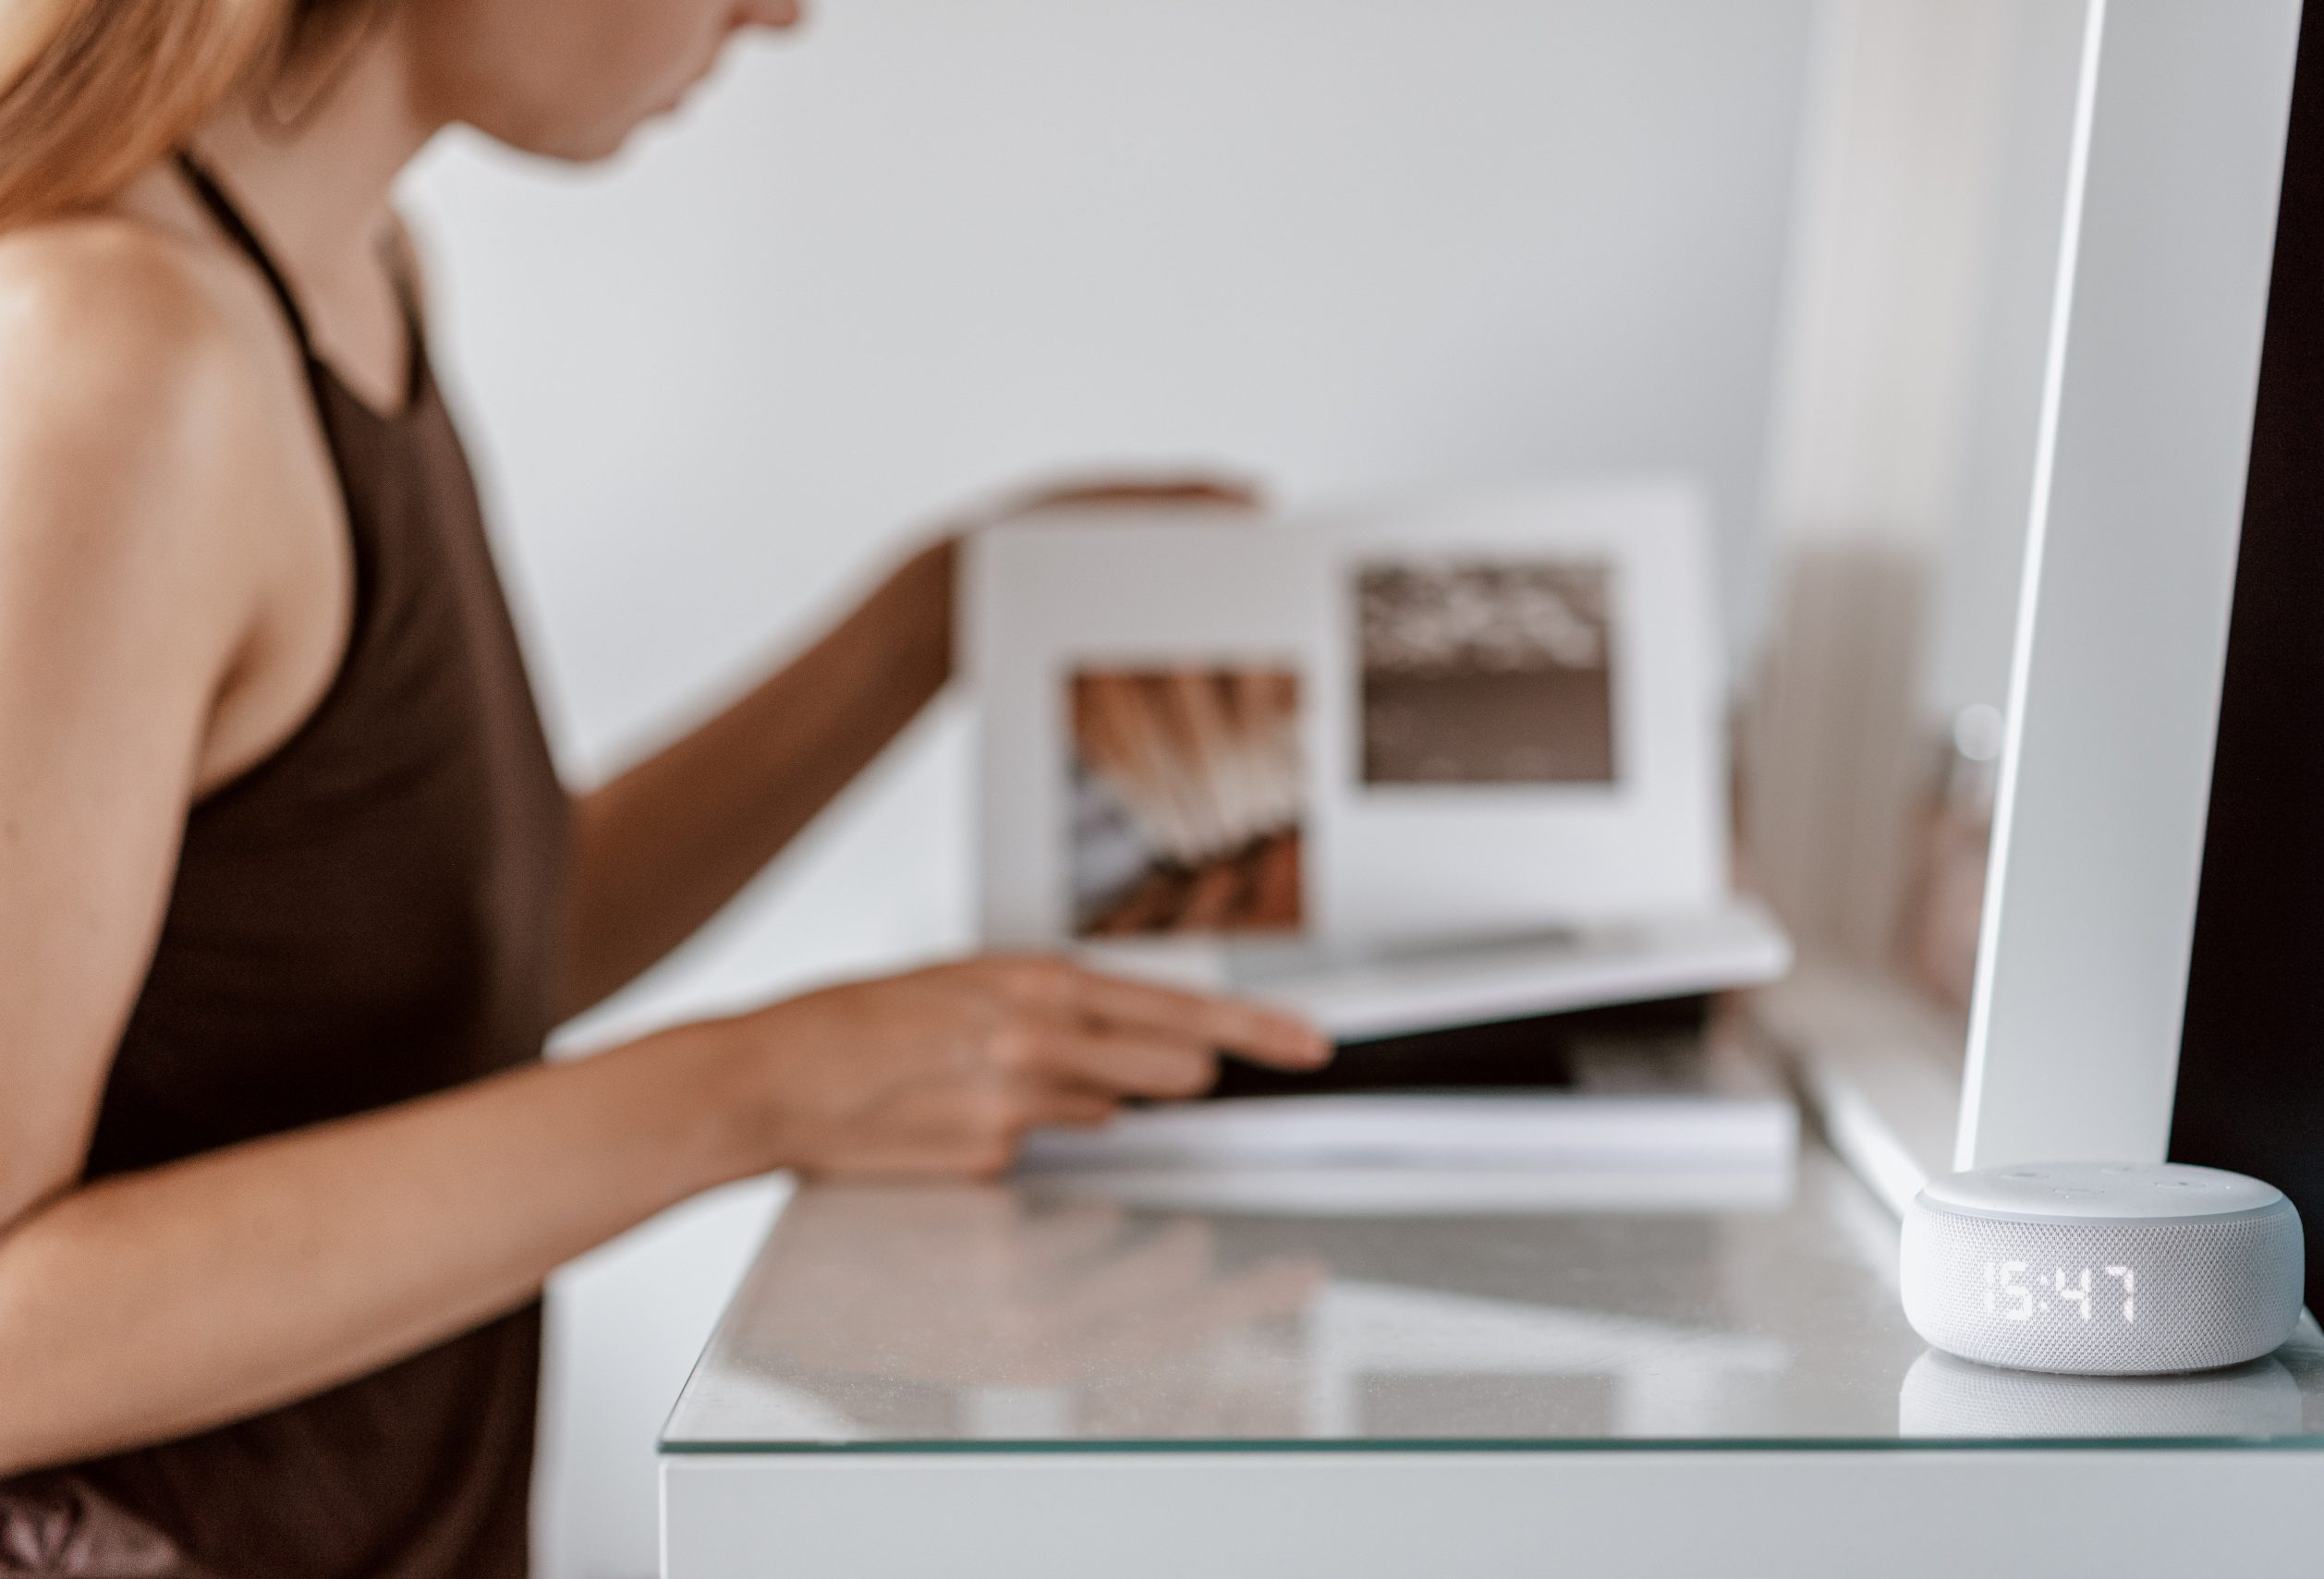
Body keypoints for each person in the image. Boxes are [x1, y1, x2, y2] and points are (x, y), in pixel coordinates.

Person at [0, 1, 1332, 1572]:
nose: (782, 12)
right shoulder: (123, 356)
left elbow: (438, 977)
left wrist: (928, 624)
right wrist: (755, 1087)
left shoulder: (352, 277)